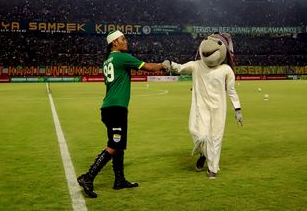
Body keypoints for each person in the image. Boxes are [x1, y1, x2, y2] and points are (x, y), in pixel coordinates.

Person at [77, 30, 167, 198]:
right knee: (114, 145)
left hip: (110, 108)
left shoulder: (108, 60)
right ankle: (87, 177)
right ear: (114, 43)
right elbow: (147, 67)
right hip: (116, 109)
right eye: (123, 39)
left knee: (119, 146)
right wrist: (164, 65)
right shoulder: (121, 57)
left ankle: (119, 180)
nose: (126, 41)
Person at [163, 33, 243, 179]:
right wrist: (170, 64)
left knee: (215, 138)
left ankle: (213, 169)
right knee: (200, 135)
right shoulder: (197, 65)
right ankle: (203, 154)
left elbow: (231, 91)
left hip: (219, 108)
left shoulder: (226, 70)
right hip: (200, 107)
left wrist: (237, 109)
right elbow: (180, 68)